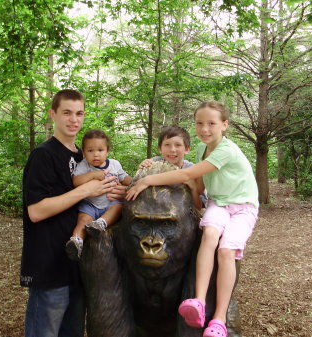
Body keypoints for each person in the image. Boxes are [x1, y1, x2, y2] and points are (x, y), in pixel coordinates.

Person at [126, 101, 259, 337]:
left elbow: (188, 175)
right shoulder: (200, 149)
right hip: (218, 203)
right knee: (208, 234)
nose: (205, 129)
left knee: (226, 251)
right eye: (200, 123)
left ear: (224, 125)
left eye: (211, 123)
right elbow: (198, 188)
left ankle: (219, 318)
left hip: (241, 206)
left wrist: (147, 181)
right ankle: (198, 300)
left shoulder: (225, 149)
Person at [20, 89, 125, 337]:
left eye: (78, 113)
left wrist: (116, 192)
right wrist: (85, 189)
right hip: (49, 265)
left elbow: (101, 193)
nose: (73, 119)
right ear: (52, 115)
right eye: (66, 112)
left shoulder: (84, 155)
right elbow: (35, 211)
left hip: (78, 264)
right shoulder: (43, 155)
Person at [65, 129, 132, 260]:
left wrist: (137, 184)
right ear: (84, 153)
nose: (95, 154)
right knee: (83, 220)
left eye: (100, 150)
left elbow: (125, 178)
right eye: (90, 151)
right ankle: (76, 242)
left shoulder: (114, 165)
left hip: (110, 203)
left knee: (118, 207)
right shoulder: (83, 166)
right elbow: (76, 181)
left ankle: (101, 223)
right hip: (90, 204)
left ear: (107, 151)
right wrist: (93, 175)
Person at [138, 125, 202, 210]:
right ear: (160, 148)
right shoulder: (155, 163)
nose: (172, 149)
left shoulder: (192, 170)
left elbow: (198, 207)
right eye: (167, 145)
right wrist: (142, 167)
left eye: (178, 145)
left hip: (182, 213)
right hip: (155, 209)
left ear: (186, 149)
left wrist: (193, 188)